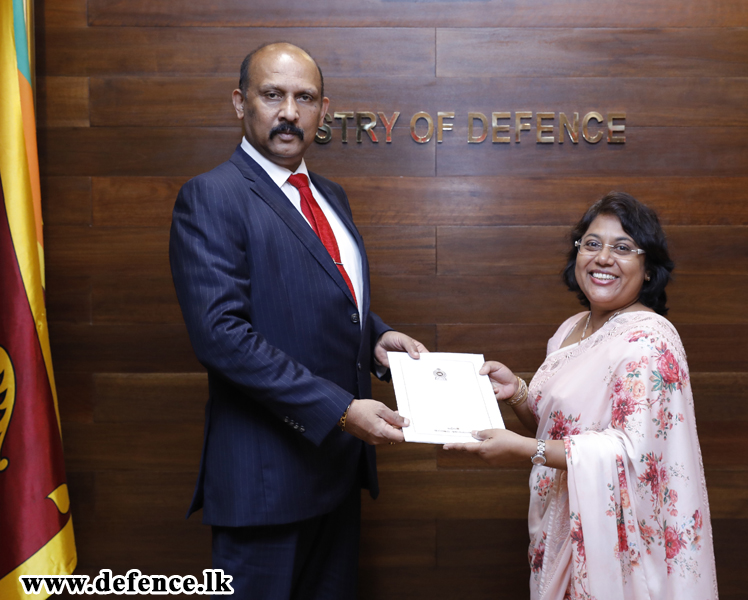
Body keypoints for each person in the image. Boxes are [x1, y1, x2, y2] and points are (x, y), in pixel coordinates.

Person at [168, 42, 427, 600]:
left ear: (323, 111)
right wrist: (339, 409)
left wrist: (378, 336)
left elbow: (323, 294)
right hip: (265, 485)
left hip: (336, 477)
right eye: (273, 95)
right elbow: (222, 335)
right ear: (241, 103)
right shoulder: (211, 196)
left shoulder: (330, 196)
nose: (289, 111)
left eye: (304, 98)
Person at [445, 192, 718, 600]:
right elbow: (560, 426)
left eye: (623, 248)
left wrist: (525, 451)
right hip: (556, 527)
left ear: (647, 270)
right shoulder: (573, 328)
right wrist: (518, 392)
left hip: (610, 544)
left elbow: (630, 454)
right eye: (592, 244)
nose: (603, 258)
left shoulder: (647, 340)